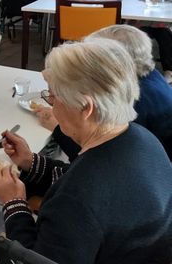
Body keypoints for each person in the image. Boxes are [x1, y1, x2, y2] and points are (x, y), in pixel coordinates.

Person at [0, 39, 172, 264]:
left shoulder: (76, 202)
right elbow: (82, 177)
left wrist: (14, 203)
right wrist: (32, 162)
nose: (51, 106)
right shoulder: (143, 139)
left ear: (85, 107)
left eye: (53, 97)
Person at [35, 24, 172, 161]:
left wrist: (58, 128)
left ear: (116, 64)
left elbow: (95, 156)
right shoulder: (151, 75)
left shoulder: (136, 99)